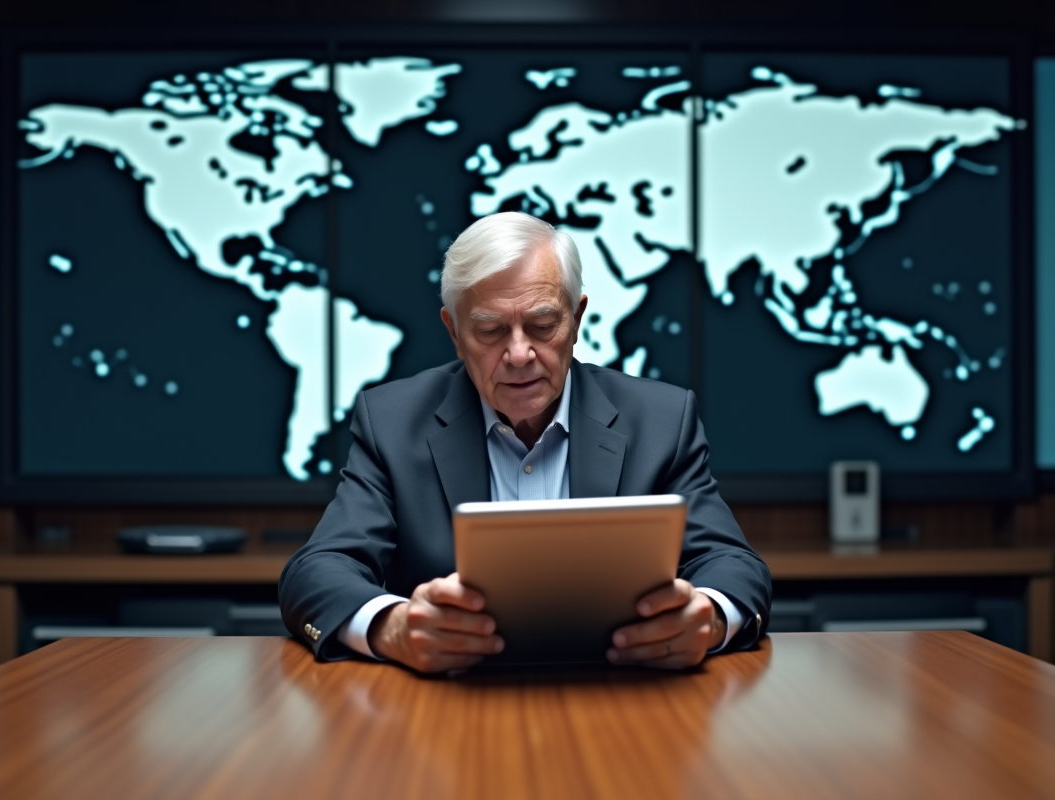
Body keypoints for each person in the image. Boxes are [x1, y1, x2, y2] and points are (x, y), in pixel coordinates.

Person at [279, 212, 771, 672]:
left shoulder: (661, 420)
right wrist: (394, 628)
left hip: (623, 696)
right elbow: (318, 569)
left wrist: (707, 619)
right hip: (444, 712)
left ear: (576, 320)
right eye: (490, 330)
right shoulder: (391, 421)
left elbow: (733, 564)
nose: (519, 354)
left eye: (542, 325)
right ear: (453, 331)